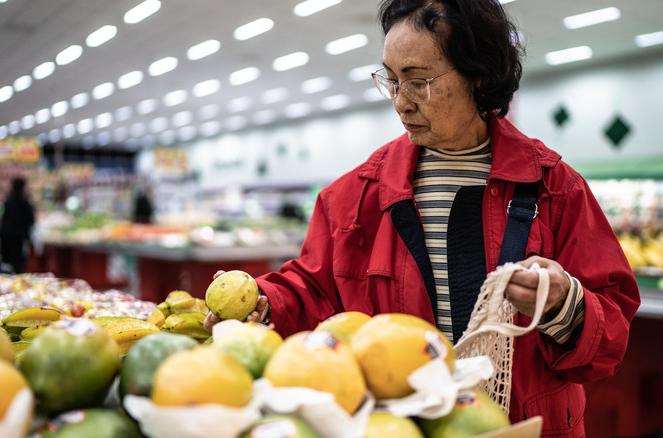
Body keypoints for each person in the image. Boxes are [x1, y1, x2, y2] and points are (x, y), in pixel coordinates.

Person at [204, 0, 640, 435]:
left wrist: (566, 303)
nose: (399, 103)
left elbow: (612, 332)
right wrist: (263, 304)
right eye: (390, 81)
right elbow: (314, 291)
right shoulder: (355, 197)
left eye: (417, 83)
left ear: (479, 75)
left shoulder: (555, 188)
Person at [0, 177, 35, 273]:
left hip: (6, 238)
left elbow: (2, 219)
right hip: (18, 239)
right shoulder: (25, 204)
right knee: (17, 264)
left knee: (6, 264)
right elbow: (31, 220)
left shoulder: (7, 202)